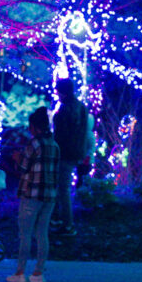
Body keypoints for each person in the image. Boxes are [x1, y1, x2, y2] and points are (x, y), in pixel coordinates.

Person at [8, 106, 59, 282]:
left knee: (25, 233)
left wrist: (16, 158)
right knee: (42, 233)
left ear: (35, 127)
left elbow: (23, 167)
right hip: (49, 195)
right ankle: (38, 273)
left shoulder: (34, 143)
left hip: (31, 193)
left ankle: (20, 272)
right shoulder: (54, 145)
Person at [50, 79, 92, 235]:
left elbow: (61, 135)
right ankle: (59, 219)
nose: (57, 94)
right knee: (62, 188)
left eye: (58, 91)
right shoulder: (80, 107)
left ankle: (67, 224)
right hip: (76, 153)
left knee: (63, 188)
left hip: (65, 154)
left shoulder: (66, 110)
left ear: (63, 92)